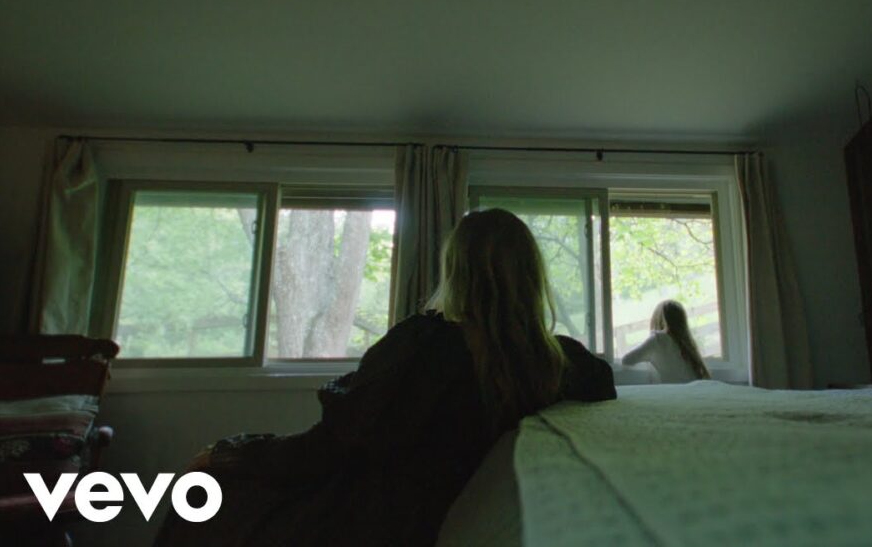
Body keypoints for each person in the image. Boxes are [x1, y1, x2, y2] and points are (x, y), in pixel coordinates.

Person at [154, 209, 616, 547]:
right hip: (425, 519)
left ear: (456, 271)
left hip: (366, 519)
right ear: (530, 277)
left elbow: (324, 450)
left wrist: (230, 452)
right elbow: (604, 384)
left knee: (201, 498)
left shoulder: (425, 345)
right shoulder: (556, 363)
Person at [621, 299, 711, 383]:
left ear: (659, 319)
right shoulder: (686, 343)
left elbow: (627, 360)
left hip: (676, 392)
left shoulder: (658, 340)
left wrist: (647, 356)